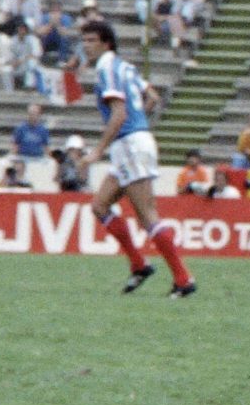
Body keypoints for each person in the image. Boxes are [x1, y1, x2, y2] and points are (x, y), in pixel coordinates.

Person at [79, 21, 195, 297]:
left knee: (148, 215)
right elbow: (152, 97)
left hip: (129, 143)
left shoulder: (106, 67)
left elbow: (118, 114)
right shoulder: (125, 66)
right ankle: (139, 264)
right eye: (84, 40)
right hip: (133, 143)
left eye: (91, 40)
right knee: (99, 206)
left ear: (106, 43)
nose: (86, 45)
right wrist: (140, 123)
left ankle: (183, 280)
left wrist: (98, 151)